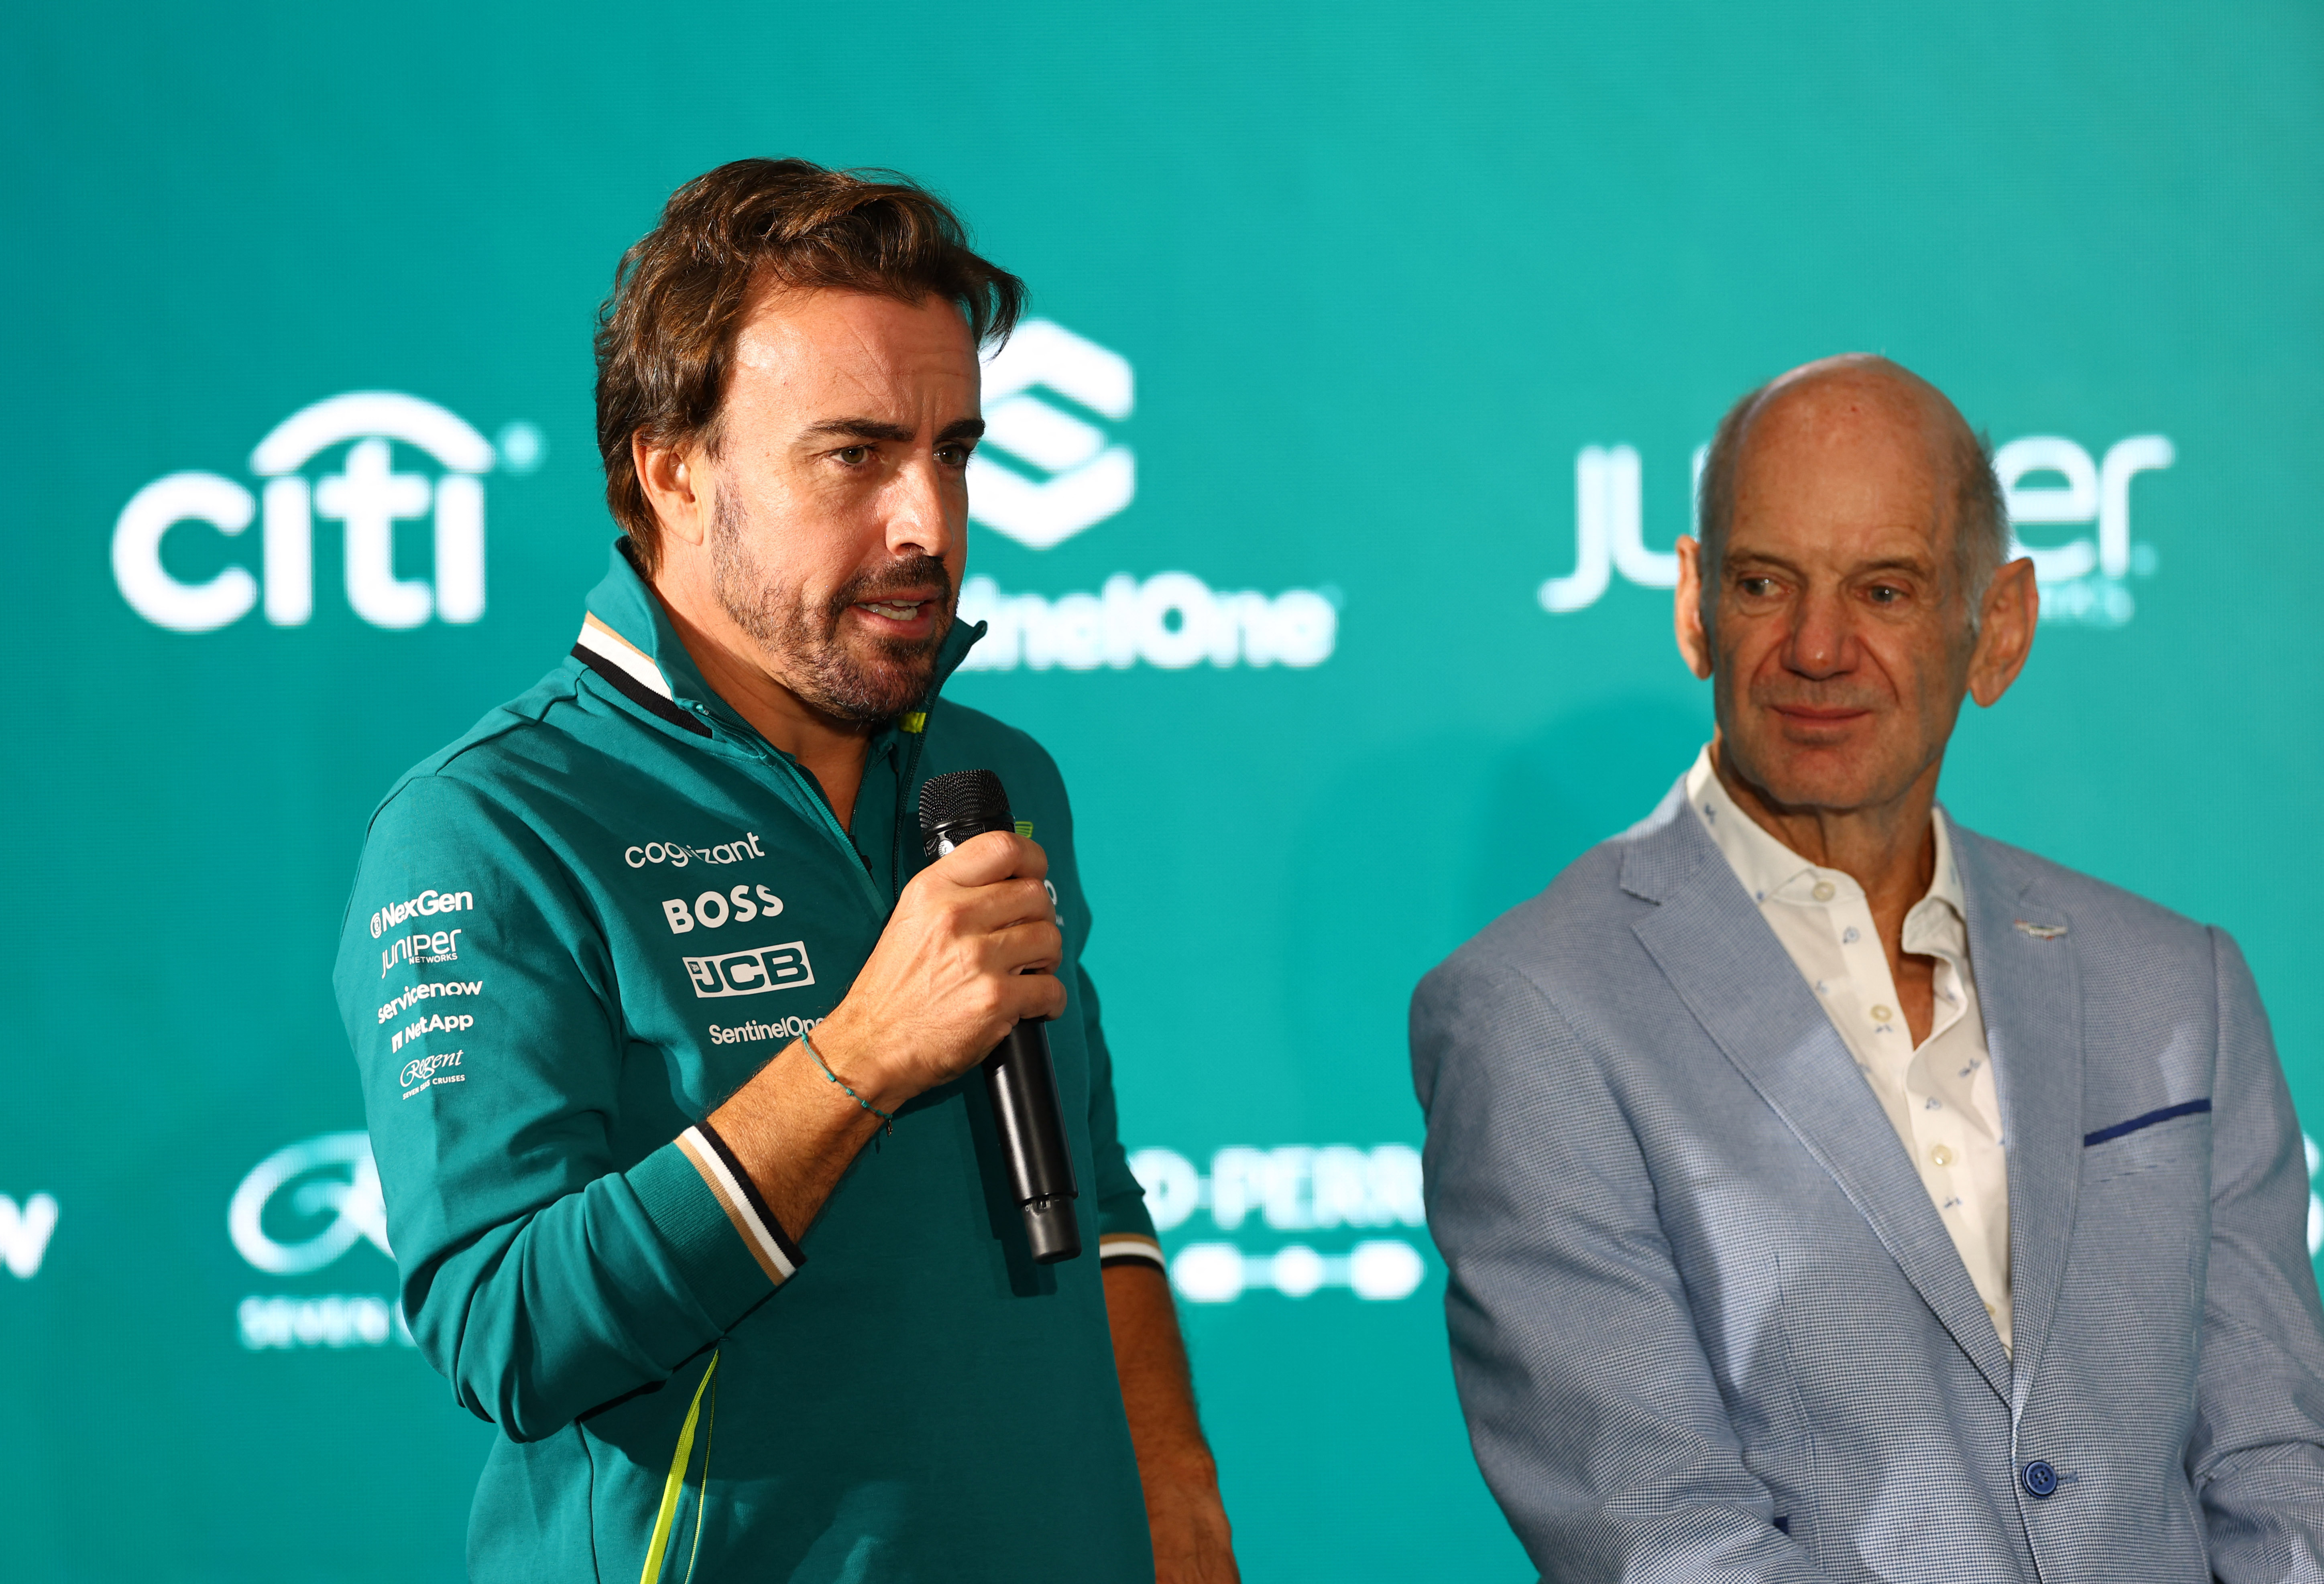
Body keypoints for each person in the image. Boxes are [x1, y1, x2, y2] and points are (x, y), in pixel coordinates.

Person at [334, 159, 1236, 1584]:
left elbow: (1093, 1193)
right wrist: (862, 1054)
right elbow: (504, 1328)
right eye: (856, 455)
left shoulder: (992, 780)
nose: (928, 522)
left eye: (954, 453)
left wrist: (1175, 1492)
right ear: (672, 469)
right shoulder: (491, 823)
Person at [1410, 354, 2324, 1580]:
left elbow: (2278, 1464)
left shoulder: (2178, 989)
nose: (1817, 647)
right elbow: (1663, 1532)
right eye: (1763, 583)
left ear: (1998, 630)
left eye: (1884, 589)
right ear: (1694, 607)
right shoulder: (1534, 1011)